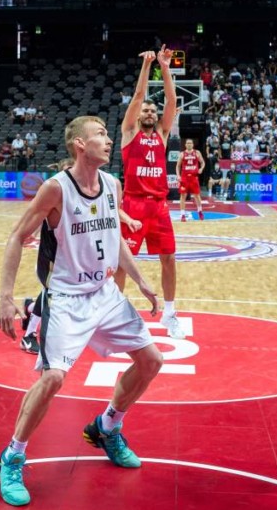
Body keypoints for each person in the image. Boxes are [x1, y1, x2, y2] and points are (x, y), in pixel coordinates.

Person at [0, 115, 163, 506]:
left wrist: (139, 280)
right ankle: (12, 456)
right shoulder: (56, 190)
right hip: (67, 297)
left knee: (151, 360)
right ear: (79, 145)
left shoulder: (112, 185)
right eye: (100, 134)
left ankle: (107, 427)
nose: (108, 140)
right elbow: (18, 237)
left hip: (104, 292)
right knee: (52, 378)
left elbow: (114, 236)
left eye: (107, 134)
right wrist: (5, 297)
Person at [118, 47, 186, 340]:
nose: (149, 112)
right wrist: (147, 66)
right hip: (132, 204)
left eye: (152, 110)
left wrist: (165, 65)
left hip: (158, 206)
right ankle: (115, 313)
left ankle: (170, 313)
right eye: (146, 109)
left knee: (169, 257)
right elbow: (137, 97)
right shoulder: (129, 133)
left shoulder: (162, 134)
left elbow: (171, 100)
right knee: (122, 262)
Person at [176, 138, 206, 221]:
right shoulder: (182, 154)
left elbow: (203, 162)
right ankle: (182, 215)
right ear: (185, 145)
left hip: (194, 177)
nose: (189, 144)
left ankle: (200, 211)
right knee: (183, 196)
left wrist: (201, 169)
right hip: (184, 178)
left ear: (192, 144)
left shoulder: (197, 152)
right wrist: (178, 176)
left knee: (197, 195)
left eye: (190, 143)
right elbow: (178, 166)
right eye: (187, 143)